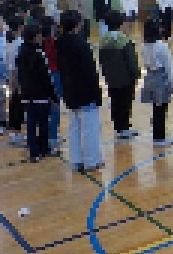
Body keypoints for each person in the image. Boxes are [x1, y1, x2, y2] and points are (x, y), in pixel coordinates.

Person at [57, 10, 104, 172]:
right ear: (77, 24)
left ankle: (76, 159)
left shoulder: (60, 43)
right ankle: (92, 160)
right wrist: (97, 93)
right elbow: (90, 71)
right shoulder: (81, 44)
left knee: (74, 127)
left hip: (69, 89)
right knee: (90, 128)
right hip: (85, 91)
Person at [17, 24, 57, 162]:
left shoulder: (21, 52)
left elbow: (20, 75)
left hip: (27, 95)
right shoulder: (39, 54)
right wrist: (53, 95)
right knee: (43, 123)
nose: (41, 38)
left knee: (31, 124)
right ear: (34, 38)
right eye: (39, 35)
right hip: (40, 95)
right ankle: (44, 149)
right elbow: (46, 77)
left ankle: (34, 153)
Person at [99, 11, 141, 140]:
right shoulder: (124, 41)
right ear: (120, 23)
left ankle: (118, 127)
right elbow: (131, 61)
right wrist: (136, 74)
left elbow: (101, 61)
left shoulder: (103, 41)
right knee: (125, 102)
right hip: (125, 78)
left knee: (115, 101)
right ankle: (124, 127)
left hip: (111, 78)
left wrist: (105, 74)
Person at [140, 19, 173, 146]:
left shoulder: (144, 46)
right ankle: (159, 138)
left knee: (156, 107)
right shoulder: (162, 46)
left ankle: (157, 135)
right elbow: (168, 66)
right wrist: (171, 83)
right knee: (161, 109)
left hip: (150, 77)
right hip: (160, 77)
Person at [41, 17, 62, 153]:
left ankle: (48, 135)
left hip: (44, 76)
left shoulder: (38, 43)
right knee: (54, 106)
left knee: (46, 107)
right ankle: (52, 137)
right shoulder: (52, 43)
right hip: (54, 74)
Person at [5, 16, 25, 144]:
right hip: (17, 76)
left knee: (13, 104)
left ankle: (13, 130)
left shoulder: (10, 43)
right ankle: (16, 133)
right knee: (18, 105)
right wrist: (17, 83)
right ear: (19, 27)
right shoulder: (19, 43)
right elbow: (16, 65)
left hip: (12, 75)